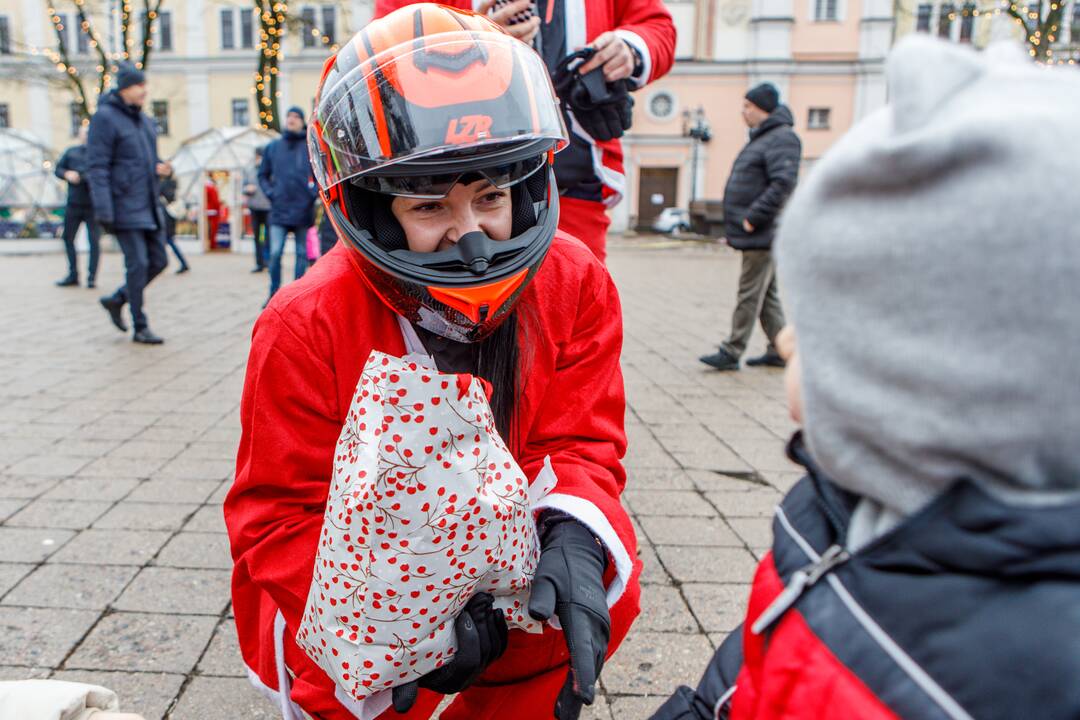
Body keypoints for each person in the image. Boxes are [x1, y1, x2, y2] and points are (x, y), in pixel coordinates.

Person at [225, 7, 640, 720]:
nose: (471, 235)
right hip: (367, 621)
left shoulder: (574, 282)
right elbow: (276, 518)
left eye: (489, 197)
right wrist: (406, 618)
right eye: (428, 206)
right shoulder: (304, 325)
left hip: (519, 597)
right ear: (372, 210)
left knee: (598, 593)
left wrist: (576, 529)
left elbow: (581, 442)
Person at [650, 36, 1080, 720]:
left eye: (827, 345)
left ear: (923, 394)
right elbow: (745, 671)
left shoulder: (993, 678)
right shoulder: (833, 503)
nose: (791, 343)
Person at [374, 0, 676, 263]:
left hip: (574, 178)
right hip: (458, 177)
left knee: (573, 296)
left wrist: (630, 48)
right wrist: (464, 40)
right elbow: (385, 45)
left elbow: (658, 27)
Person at [699, 82, 801, 372]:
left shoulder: (781, 138)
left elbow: (783, 183)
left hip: (762, 231)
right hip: (755, 232)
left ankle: (732, 349)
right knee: (766, 295)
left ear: (763, 109)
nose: (743, 112)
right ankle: (781, 350)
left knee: (749, 292)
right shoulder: (764, 138)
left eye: (748, 106)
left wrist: (753, 217)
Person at [87, 60, 168, 345]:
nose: (144, 90)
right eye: (138, 85)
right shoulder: (105, 118)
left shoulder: (145, 122)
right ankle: (140, 325)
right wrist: (104, 210)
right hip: (123, 205)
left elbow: (146, 161)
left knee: (159, 261)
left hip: (148, 203)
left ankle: (117, 299)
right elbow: (97, 167)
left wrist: (159, 168)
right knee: (137, 264)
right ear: (124, 88)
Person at [258, 106, 318, 303]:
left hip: (303, 209)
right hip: (279, 209)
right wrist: (271, 193)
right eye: (289, 116)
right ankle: (273, 293)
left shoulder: (309, 145)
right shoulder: (273, 147)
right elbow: (263, 175)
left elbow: (320, 173)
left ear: (302, 121)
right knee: (275, 253)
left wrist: (312, 194)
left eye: (296, 117)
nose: (291, 119)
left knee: (301, 253)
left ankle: (295, 294)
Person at [54, 124, 101, 289]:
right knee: (68, 238)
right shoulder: (71, 152)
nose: (87, 136)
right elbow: (58, 169)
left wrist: (81, 175)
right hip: (73, 204)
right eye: (84, 133)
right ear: (80, 135)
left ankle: (91, 277)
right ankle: (73, 274)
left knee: (94, 241)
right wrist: (66, 174)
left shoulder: (99, 153)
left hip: (92, 205)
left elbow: (101, 174)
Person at [243, 146, 272, 272]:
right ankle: (259, 263)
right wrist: (246, 189)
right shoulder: (249, 170)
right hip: (254, 207)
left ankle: (268, 262)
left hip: (268, 207)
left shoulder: (271, 170)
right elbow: (243, 187)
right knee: (257, 237)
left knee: (268, 237)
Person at [158, 164, 190, 274]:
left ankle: (161, 264)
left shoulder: (169, 183)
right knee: (167, 241)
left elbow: (169, 196)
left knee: (167, 240)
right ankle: (182, 263)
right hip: (167, 215)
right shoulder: (167, 182)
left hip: (168, 216)